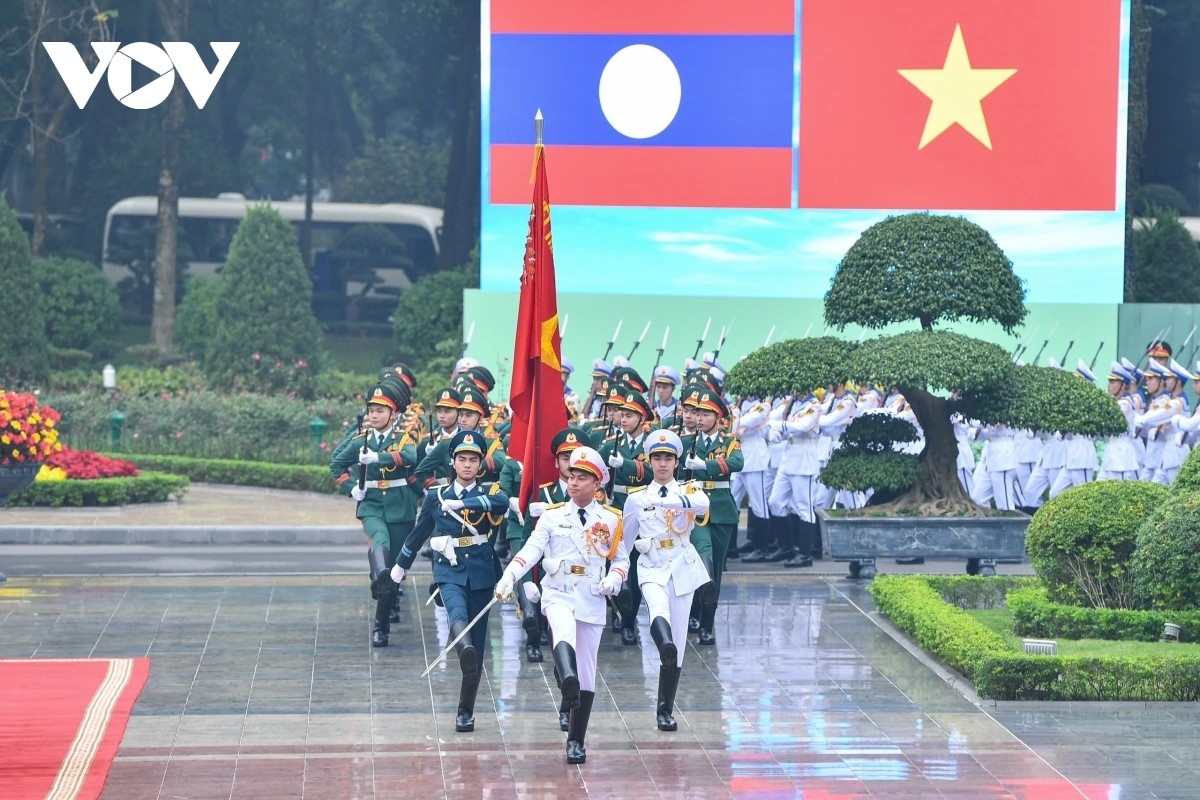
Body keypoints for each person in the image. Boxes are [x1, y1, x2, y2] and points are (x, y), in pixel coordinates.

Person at [494, 446, 628, 765]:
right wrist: (510, 576)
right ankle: (568, 681)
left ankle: (576, 741)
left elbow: (621, 559)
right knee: (562, 632)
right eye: (572, 476)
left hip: (592, 596)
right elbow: (531, 550)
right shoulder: (552, 516)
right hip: (558, 591)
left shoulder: (610, 520)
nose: (574, 482)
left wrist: (615, 579)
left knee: (587, 674)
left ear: (598, 484)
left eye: (583, 478)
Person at [391, 430, 509, 733]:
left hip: (482, 571)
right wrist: (400, 565)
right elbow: (419, 534)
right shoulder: (436, 496)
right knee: (456, 612)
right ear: (452, 462)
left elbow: (501, 503)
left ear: (480, 464)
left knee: (479, 647)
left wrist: (465, 505)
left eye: (473, 460)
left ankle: (465, 710)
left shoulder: (490, 491)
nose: (467, 465)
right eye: (462, 459)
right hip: (449, 569)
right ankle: (463, 647)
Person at [621, 430, 711, 731]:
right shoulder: (636, 499)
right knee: (657, 608)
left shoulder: (690, 490)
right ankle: (664, 645)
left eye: (668, 459)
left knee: (681, 641)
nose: (662, 464)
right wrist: (617, 571)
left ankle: (665, 708)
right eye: (657, 458)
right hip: (652, 565)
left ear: (676, 462)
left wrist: (670, 501)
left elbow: (702, 506)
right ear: (648, 461)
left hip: (682, 567)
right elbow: (625, 540)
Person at [328, 382, 418, 647]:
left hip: (401, 508)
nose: (374, 415)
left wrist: (379, 458)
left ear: (393, 414)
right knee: (380, 541)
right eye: (371, 410)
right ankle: (380, 578)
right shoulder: (361, 440)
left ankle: (382, 626)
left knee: (396, 569)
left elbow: (410, 455)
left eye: (380, 410)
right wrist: (351, 486)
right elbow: (336, 464)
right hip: (372, 506)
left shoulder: (404, 437)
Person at [680, 387, 744, 644]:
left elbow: (738, 463)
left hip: (720, 508)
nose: (701, 418)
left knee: (715, 571)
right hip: (696, 510)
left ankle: (706, 622)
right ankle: (694, 613)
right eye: (699, 413)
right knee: (702, 555)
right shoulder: (687, 442)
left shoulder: (729, 442)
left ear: (718, 418)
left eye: (707, 414)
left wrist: (705, 466)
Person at [601, 388, 655, 645]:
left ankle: (630, 621)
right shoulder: (612, 443)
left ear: (642, 418)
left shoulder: (651, 445)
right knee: (613, 563)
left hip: (643, 511)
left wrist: (629, 465)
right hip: (617, 508)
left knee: (633, 567)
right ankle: (617, 612)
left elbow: (659, 471)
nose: (623, 419)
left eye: (630, 415)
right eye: (622, 414)